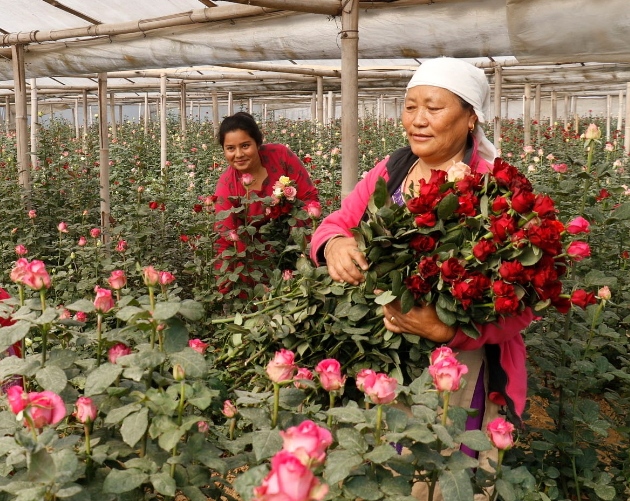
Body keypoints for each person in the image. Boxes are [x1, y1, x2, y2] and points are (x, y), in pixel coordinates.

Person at [310, 57, 534, 498]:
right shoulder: (393, 170)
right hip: (382, 353)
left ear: (471, 117)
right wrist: (334, 243)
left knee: (442, 474)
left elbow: (524, 308)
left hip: (460, 368)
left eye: (433, 108)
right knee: (383, 465)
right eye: (410, 107)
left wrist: (448, 329)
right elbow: (335, 222)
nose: (417, 120)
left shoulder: (498, 190)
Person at [213, 112, 319, 292]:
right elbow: (225, 240)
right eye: (230, 148)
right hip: (256, 266)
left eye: (245, 145)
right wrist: (226, 289)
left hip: (297, 248)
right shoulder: (227, 187)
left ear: (258, 142)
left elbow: (309, 197)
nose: (238, 154)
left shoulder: (280, 156)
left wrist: (302, 241)